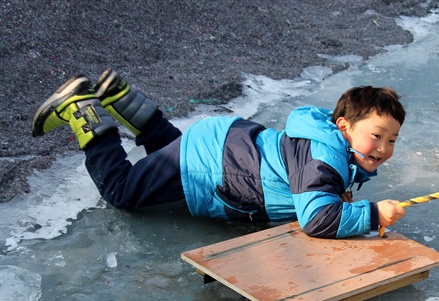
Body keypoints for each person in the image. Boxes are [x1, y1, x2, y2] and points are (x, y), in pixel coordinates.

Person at [32, 69, 406, 238]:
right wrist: (372, 214)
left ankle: (121, 99)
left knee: (169, 155)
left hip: (223, 146)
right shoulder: (325, 158)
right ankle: (83, 111)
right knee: (122, 191)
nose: (384, 148)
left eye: (391, 140)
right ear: (343, 127)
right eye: (377, 135)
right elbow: (317, 220)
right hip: (213, 164)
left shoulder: (328, 144)